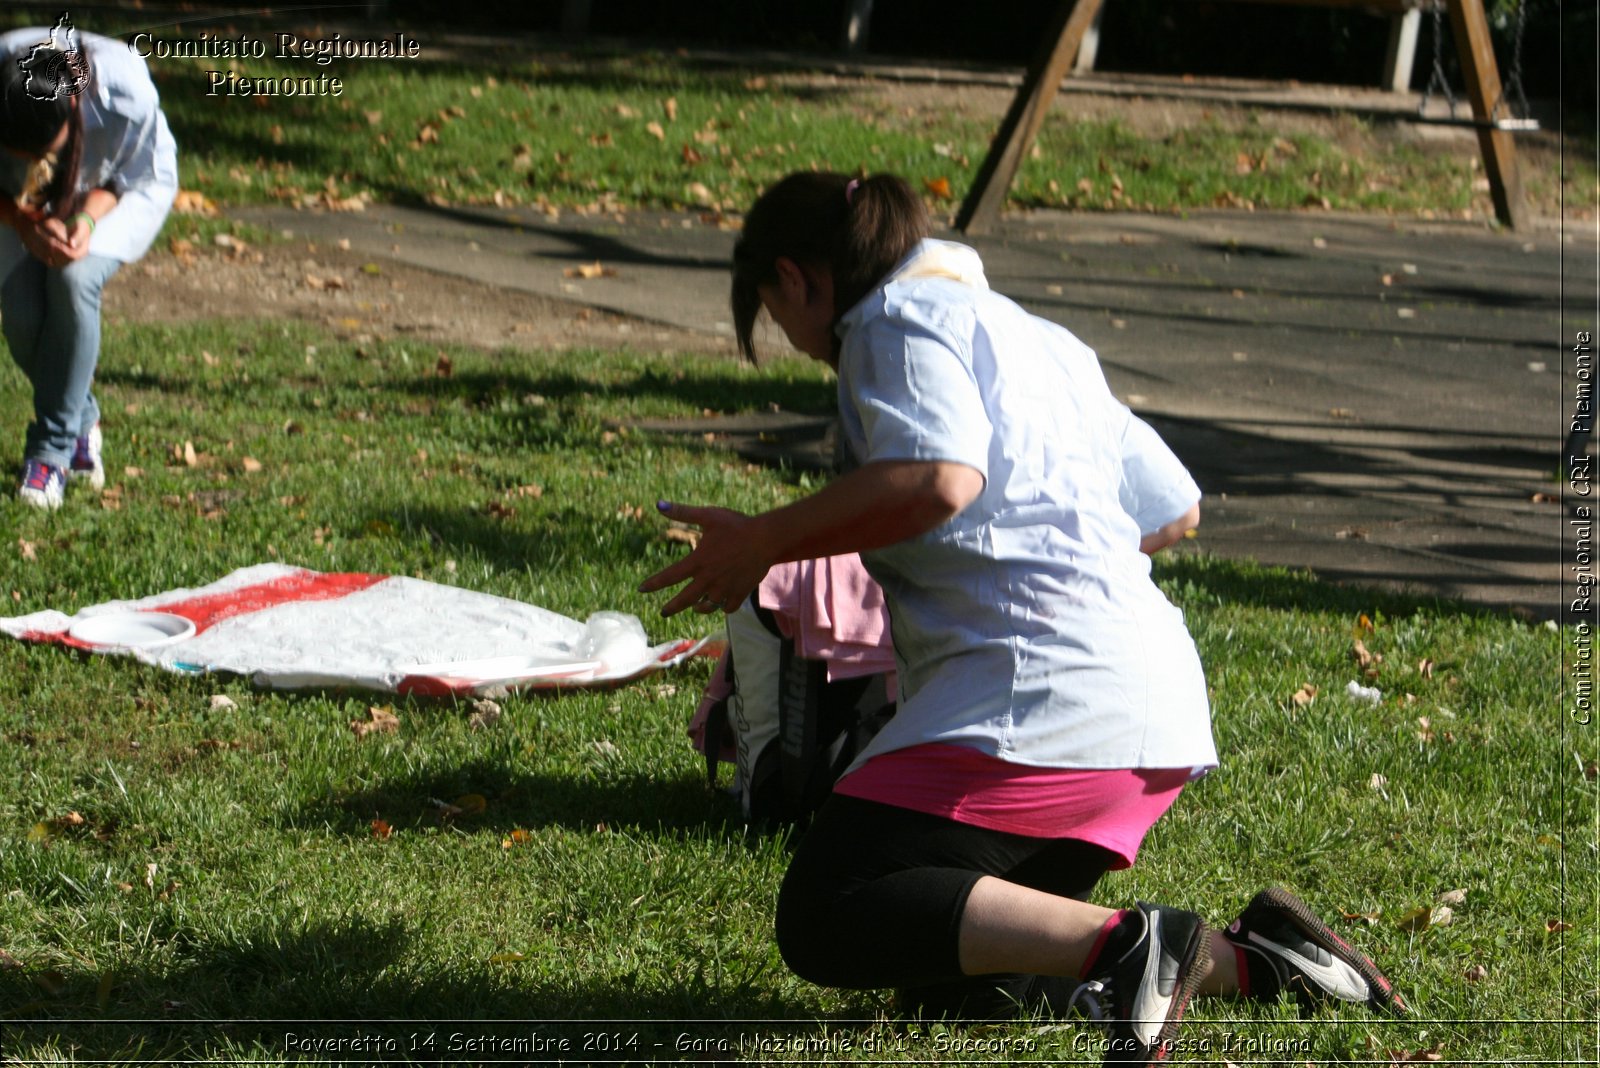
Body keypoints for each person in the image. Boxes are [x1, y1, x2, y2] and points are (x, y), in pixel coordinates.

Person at [641, 172, 1403, 1063]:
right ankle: (1259, 960)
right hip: (1151, 711)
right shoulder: (1043, 342)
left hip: (1043, 712)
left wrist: (769, 539)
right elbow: (1173, 509)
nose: (792, 336)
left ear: (796, 278)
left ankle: (1130, 943)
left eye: (774, 312)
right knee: (961, 985)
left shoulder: (889, 320)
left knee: (828, 908)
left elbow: (939, 479)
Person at [0, 17, 178, 509]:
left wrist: (86, 225)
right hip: (17, 202)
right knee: (20, 312)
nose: (38, 160)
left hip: (122, 191)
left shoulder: (127, 92)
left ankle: (51, 454)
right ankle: (82, 417)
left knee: (75, 279)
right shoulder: (4, 65)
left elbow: (130, 175)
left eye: (45, 151)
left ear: (73, 103)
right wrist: (21, 220)